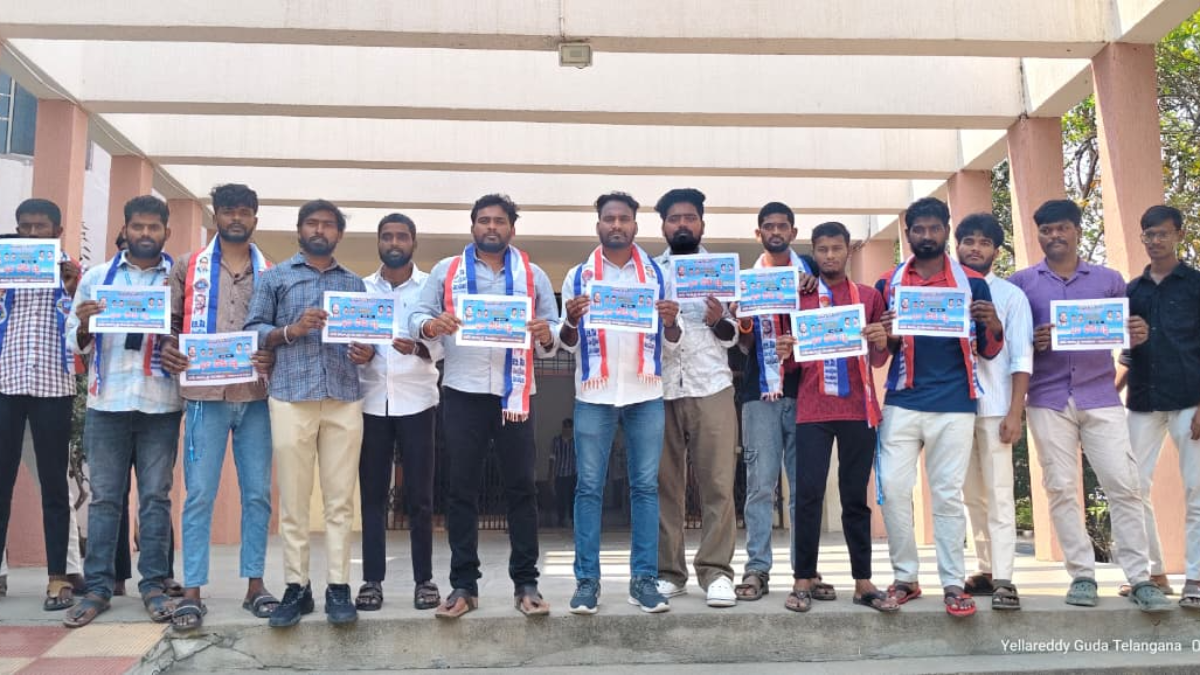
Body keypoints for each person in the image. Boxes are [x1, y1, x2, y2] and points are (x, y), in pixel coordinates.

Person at [1009, 198, 1171, 613]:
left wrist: (1136, 333)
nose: (1054, 235)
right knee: (1060, 488)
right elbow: (1010, 342)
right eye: (1046, 230)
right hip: (1046, 398)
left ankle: (1140, 578)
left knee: (1125, 485)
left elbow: (1125, 334)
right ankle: (1082, 575)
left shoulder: (1109, 281)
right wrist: (1033, 340)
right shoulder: (1022, 284)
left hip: (1100, 396)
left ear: (1078, 231)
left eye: (1062, 228)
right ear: (1038, 235)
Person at [410, 194, 559, 619]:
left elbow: (555, 329)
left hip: (515, 393)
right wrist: (430, 325)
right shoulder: (447, 271)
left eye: (499, 221)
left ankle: (526, 583)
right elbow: (416, 316)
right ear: (473, 226)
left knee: (522, 489)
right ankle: (463, 586)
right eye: (484, 220)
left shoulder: (532, 274)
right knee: (461, 490)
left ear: (512, 228)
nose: (491, 227)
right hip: (463, 390)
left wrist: (546, 333)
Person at [245, 199, 376, 628]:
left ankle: (338, 586)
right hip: (290, 395)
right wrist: (292, 330)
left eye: (328, 225)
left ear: (339, 234)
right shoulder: (275, 277)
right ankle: (296, 587)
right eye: (312, 223)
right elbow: (253, 330)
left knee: (341, 501)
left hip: (343, 395)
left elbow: (367, 336)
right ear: (299, 229)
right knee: (294, 501)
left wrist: (367, 351)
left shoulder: (355, 284)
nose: (320, 230)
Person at [873, 197, 1004, 618]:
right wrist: (887, 336)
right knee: (894, 490)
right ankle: (905, 578)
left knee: (947, 495)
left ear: (946, 231)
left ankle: (952, 583)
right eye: (919, 229)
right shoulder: (888, 283)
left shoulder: (972, 283)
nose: (927, 236)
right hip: (903, 400)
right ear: (907, 233)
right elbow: (878, 354)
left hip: (954, 403)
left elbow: (989, 350)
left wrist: (992, 323)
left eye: (934, 228)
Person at [159, 184, 277, 631]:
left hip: (256, 397)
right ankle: (192, 591)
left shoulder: (272, 272)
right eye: (228, 211)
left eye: (244, 212)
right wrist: (169, 347)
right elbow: (169, 322)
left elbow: (277, 330)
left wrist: (272, 354)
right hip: (203, 399)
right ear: (216, 216)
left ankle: (255, 585)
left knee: (257, 494)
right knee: (199, 495)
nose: (236, 219)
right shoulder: (188, 267)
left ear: (255, 219)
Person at [559, 192, 682, 614]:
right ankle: (587, 582)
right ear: (598, 225)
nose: (616, 225)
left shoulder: (658, 275)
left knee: (645, 488)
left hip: (645, 393)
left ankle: (643, 580)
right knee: (588, 487)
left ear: (635, 225)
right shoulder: (578, 276)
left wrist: (671, 322)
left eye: (623, 218)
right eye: (609, 218)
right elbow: (567, 343)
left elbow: (673, 341)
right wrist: (571, 320)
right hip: (594, 394)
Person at [64, 195, 182, 628]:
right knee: (105, 501)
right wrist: (83, 324)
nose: (145, 234)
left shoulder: (178, 280)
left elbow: (190, 334)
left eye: (154, 227)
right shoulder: (97, 279)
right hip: (107, 403)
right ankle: (98, 587)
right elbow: (74, 345)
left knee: (156, 499)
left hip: (160, 403)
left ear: (166, 232)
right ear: (125, 229)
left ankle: (153, 584)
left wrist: (179, 351)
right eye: (138, 226)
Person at [771, 221, 894, 613]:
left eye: (836, 248)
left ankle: (863, 582)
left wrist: (881, 341)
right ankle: (803, 579)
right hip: (812, 410)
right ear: (814, 252)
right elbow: (792, 365)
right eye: (822, 249)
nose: (829, 256)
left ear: (848, 251)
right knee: (807, 496)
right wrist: (785, 352)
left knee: (855, 498)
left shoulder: (869, 297)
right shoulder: (798, 298)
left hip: (858, 409)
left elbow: (879, 359)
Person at [652, 188, 739, 607]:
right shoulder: (650, 272)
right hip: (660, 388)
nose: (682, 224)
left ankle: (716, 572)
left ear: (702, 224)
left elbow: (734, 337)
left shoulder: (722, 272)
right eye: (674, 218)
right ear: (664, 226)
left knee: (718, 483)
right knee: (663, 485)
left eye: (690, 217)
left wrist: (720, 318)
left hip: (712, 385)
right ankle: (669, 573)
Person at [355, 213, 443, 612]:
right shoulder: (360, 288)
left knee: (420, 498)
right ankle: (372, 581)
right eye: (387, 236)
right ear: (378, 242)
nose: (394, 242)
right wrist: (358, 353)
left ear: (413, 243)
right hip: (371, 401)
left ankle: (424, 580)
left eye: (401, 236)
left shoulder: (430, 288)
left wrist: (420, 348)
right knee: (373, 495)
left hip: (418, 401)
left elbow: (445, 343)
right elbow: (348, 337)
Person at [0, 199, 82, 611]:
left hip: (53, 387)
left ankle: (58, 578)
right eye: (25, 227)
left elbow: (85, 333)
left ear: (57, 231)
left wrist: (71, 289)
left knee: (54, 485)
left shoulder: (75, 273)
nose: (32, 234)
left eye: (40, 227)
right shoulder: (4, 267)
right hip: (6, 383)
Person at [1119, 204, 1200, 610]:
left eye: (1162, 233)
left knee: (1196, 490)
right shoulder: (1132, 290)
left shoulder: (1196, 285)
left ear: (1179, 235)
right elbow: (1125, 352)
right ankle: (1153, 573)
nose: (1155, 241)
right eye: (1148, 234)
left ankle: (1196, 578)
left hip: (1190, 400)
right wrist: (1108, 396)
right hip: (1142, 400)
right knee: (1132, 487)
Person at [731, 202, 813, 602]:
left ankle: (806, 571)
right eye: (769, 226)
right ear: (758, 233)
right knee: (760, 487)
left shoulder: (813, 277)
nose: (776, 231)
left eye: (783, 226)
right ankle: (757, 568)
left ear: (793, 233)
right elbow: (744, 344)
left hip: (807, 392)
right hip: (758, 393)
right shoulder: (746, 281)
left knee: (803, 488)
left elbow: (828, 332)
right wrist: (742, 317)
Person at [954, 212, 1033, 611]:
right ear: (956, 246)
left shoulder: (1011, 295)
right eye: (968, 241)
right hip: (953, 406)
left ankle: (1004, 577)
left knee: (1000, 492)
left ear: (997, 252)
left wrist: (1015, 412)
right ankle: (984, 569)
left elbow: (1021, 357)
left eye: (984, 242)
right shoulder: (943, 290)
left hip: (996, 406)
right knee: (970, 495)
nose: (975, 248)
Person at [550, 419, 577, 528]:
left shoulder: (575, 441)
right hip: (560, 474)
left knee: (572, 498)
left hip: (572, 474)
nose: (567, 430)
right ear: (562, 428)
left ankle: (573, 519)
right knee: (560, 498)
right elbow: (552, 457)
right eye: (565, 427)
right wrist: (551, 474)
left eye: (569, 427)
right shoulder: (556, 441)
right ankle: (561, 519)